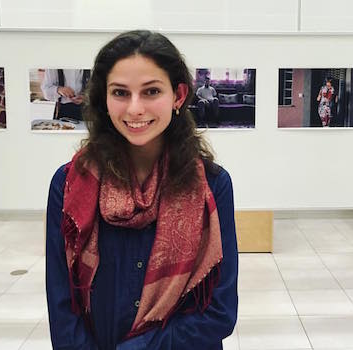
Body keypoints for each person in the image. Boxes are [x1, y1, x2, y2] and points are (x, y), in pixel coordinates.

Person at [46, 30, 238, 350]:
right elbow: (62, 307)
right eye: (120, 92)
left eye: (151, 91)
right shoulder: (68, 185)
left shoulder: (212, 185)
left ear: (177, 96)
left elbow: (219, 311)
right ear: (104, 100)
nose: (135, 108)